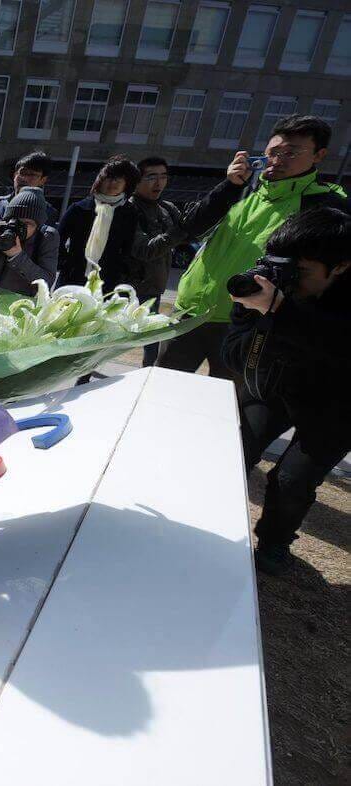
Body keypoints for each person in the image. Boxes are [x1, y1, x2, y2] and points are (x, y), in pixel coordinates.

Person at [159, 115, 350, 378]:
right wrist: (228, 186)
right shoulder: (242, 189)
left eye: (291, 153)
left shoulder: (324, 206)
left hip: (247, 325)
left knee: (227, 408)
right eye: (273, 151)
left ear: (319, 155)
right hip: (189, 312)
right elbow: (186, 230)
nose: (277, 159)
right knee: (159, 392)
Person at [222, 208, 351, 575]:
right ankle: (210, 523)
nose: (288, 279)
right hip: (276, 386)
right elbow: (232, 353)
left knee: (292, 480)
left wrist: (283, 311)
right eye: (283, 266)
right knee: (231, 453)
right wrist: (260, 317)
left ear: (340, 266)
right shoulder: (268, 282)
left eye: (302, 271)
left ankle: (275, 541)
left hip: (337, 405)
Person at [128, 156, 232, 366]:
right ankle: (83, 382)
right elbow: (146, 250)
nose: (159, 183)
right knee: (108, 340)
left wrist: (198, 219)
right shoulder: (129, 209)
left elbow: (192, 234)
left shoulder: (167, 208)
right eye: (151, 177)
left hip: (153, 287)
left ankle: (147, 377)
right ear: (136, 181)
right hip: (127, 286)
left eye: (163, 177)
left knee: (152, 341)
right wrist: (181, 229)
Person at [57, 156, 141, 290]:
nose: (111, 182)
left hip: (108, 282)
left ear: (127, 184)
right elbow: (58, 239)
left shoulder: (129, 213)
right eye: (108, 177)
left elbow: (129, 248)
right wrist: (65, 263)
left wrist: (122, 272)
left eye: (118, 179)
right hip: (73, 278)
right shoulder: (79, 208)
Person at [0, 150, 59, 237]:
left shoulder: (48, 212)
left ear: (43, 180)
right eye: (22, 173)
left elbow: (46, 247)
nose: (24, 178)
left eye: (32, 175)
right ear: (14, 175)